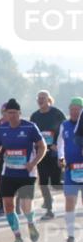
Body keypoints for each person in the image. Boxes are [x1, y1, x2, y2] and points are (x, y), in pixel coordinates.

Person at [0, 98, 47, 242]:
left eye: (15, 113)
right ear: (5, 114)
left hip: (27, 173)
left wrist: (33, 162)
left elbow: (42, 147)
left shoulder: (30, 127)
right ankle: (17, 237)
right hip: (8, 172)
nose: (12, 116)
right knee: (8, 205)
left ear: (20, 113)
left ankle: (30, 223)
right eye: (9, 113)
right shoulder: (1, 129)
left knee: (25, 206)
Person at [30, 90, 68, 220]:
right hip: (41, 153)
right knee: (43, 182)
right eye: (39, 98)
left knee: (56, 183)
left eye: (43, 98)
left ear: (49, 100)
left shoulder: (57, 114)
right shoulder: (35, 116)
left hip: (55, 153)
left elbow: (65, 130)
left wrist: (57, 144)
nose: (41, 100)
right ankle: (49, 210)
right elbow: (31, 134)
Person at [57, 96, 83, 242]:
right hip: (71, 169)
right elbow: (60, 143)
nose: (74, 112)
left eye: (77, 110)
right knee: (69, 202)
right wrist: (61, 157)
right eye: (71, 109)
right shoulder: (65, 125)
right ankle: (71, 238)